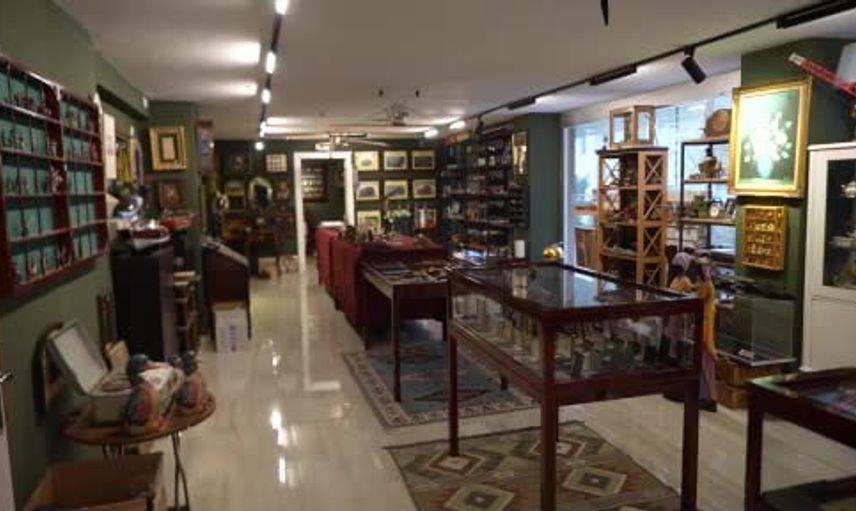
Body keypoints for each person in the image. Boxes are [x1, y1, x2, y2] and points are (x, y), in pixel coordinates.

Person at [663, 252, 718, 412]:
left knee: (705, 364)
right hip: (700, 325)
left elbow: (697, 298)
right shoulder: (703, 284)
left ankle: (707, 397)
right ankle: (703, 395)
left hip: (705, 328)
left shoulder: (706, 285)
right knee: (701, 364)